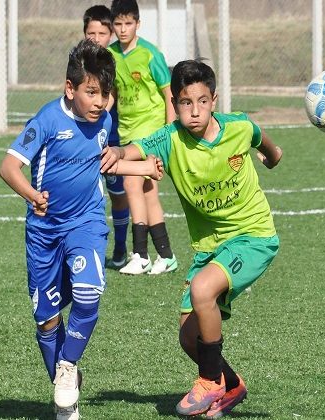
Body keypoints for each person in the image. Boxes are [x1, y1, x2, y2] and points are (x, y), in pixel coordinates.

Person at [102, 59, 283, 418]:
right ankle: (230, 384)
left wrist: (272, 158)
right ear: (176, 104)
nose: (194, 111)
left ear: (214, 99)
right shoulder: (170, 139)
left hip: (253, 236)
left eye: (202, 101)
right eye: (186, 103)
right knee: (189, 337)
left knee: (202, 291)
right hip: (209, 246)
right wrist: (117, 154)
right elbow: (133, 149)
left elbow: (269, 147)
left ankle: (209, 381)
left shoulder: (240, 127)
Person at [0, 39, 163, 420]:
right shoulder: (47, 120)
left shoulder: (105, 121)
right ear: (69, 89)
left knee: (89, 295)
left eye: (105, 94)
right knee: (46, 321)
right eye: (91, 92)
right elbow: (8, 167)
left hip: (86, 223)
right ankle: (66, 386)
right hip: (44, 232)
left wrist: (142, 167)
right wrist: (32, 195)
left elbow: (103, 164)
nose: (100, 102)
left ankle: (68, 367)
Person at [108, 0, 178, 275]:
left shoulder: (150, 54)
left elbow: (168, 94)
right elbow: (113, 93)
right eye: (118, 24)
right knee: (148, 192)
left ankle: (140, 254)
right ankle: (167, 255)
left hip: (151, 131)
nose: (123, 29)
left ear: (138, 23)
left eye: (128, 23)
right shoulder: (112, 54)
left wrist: (170, 131)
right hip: (127, 131)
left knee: (131, 184)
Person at [83, 5, 131, 269]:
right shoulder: (78, 63)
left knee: (118, 193)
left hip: (111, 138)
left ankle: (121, 248)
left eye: (102, 33)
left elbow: (111, 97)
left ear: (110, 34)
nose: (96, 38)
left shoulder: (111, 61)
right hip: (83, 138)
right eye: (91, 33)